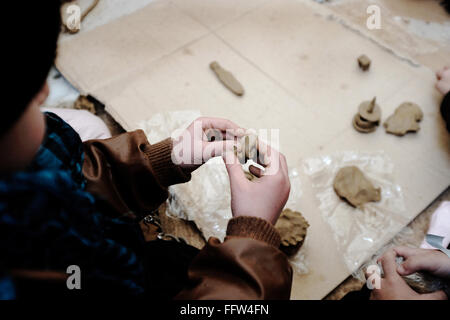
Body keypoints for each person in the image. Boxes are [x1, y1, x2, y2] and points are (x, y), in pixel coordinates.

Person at [0, 1, 292, 299]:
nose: (46, 93)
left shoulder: (24, 173)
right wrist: (253, 237)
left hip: (104, 257)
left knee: (172, 261)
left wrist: (158, 163)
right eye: (31, 95)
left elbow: (75, 176)